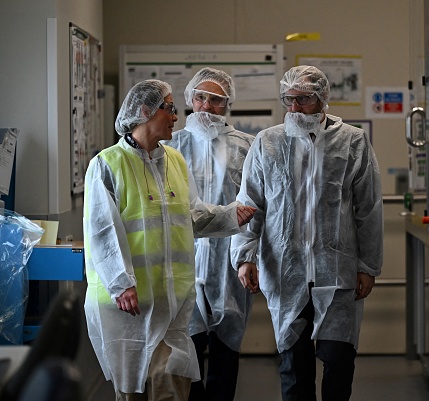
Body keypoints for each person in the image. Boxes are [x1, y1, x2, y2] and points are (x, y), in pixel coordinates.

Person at [83, 79, 255, 401]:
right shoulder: (107, 164)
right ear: (146, 111)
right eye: (170, 109)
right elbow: (101, 231)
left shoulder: (174, 160)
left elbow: (191, 216)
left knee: (172, 388)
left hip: (172, 304)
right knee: (132, 390)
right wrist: (121, 283)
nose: (177, 117)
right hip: (129, 306)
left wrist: (231, 215)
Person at [230, 65, 384, 401]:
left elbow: (369, 208)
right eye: (289, 100)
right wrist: (244, 256)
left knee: (339, 361)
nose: (295, 108)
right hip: (286, 271)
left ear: (322, 99)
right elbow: (249, 203)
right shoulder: (267, 142)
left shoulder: (352, 141)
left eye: (304, 100)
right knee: (293, 366)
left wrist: (368, 266)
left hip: (337, 271)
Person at [163, 67, 255, 401]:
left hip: (227, 263)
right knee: (185, 351)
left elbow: (255, 206)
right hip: (180, 259)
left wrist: (247, 257)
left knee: (226, 351)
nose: (206, 106)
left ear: (227, 104)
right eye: (200, 97)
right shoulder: (168, 145)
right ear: (189, 100)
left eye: (215, 100)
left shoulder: (247, 146)